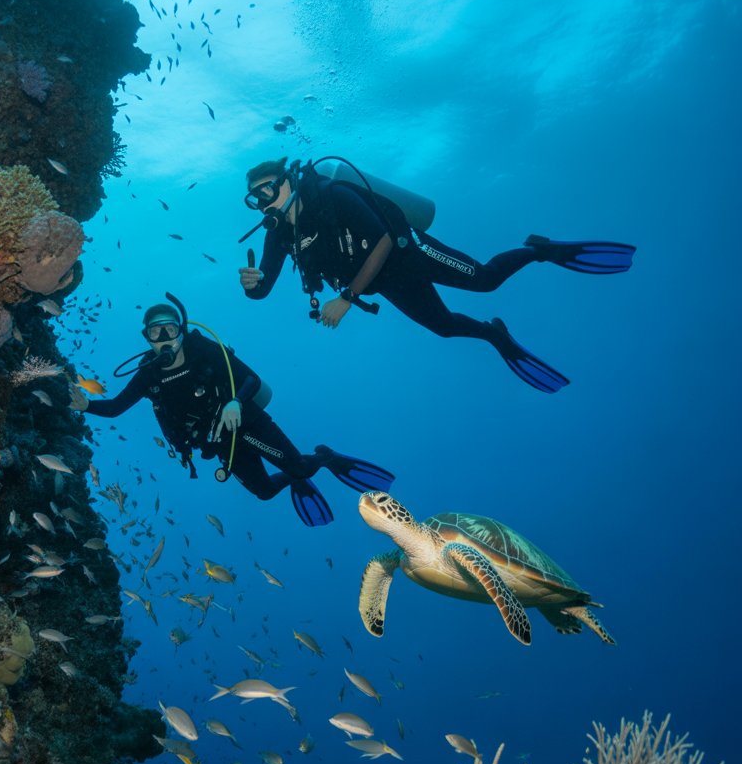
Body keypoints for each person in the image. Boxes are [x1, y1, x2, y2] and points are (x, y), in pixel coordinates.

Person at [238, 156, 636, 393]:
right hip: (385, 282)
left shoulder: (333, 197)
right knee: (444, 326)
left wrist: (347, 299)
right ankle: (494, 333)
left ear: (289, 181)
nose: (262, 202)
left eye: (268, 190)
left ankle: (539, 249)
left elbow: (383, 240)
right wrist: (253, 286)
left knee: (485, 280)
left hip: (408, 251)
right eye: (255, 198)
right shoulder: (279, 236)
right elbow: (264, 289)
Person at [68, 297, 394, 527]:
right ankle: (298, 473)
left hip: (248, 424)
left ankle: (325, 457)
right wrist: (86, 406)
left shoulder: (204, 351)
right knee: (264, 492)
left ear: (181, 331)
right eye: (155, 333)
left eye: (169, 329)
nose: (164, 338)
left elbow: (250, 378)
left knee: (299, 467)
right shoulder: (149, 374)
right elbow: (114, 408)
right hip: (220, 443)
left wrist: (237, 401)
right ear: (147, 338)